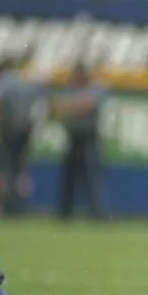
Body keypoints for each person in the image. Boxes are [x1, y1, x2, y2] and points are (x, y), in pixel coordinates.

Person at [49, 64, 106, 220]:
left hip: (88, 138)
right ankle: (64, 213)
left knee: (91, 178)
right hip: (73, 138)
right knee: (68, 177)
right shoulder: (70, 89)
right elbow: (53, 108)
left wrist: (64, 106)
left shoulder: (95, 88)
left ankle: (97, 214)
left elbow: (87, 104)